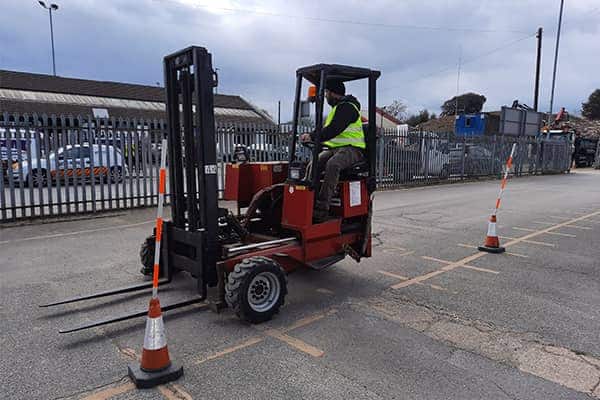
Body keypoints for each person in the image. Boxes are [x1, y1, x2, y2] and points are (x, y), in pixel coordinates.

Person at [300, 79, 365, 221]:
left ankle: (321, 209)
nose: (325, 96)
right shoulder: (336, 110)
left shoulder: (348, 108)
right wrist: (310, 135)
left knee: (333, 165)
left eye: (326, 93)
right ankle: (308, 199)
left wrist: (312, 136)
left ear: (333, 93)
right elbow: (324, 129)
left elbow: (333, 129)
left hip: (353, 150)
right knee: (314, 163)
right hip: (335, 149)